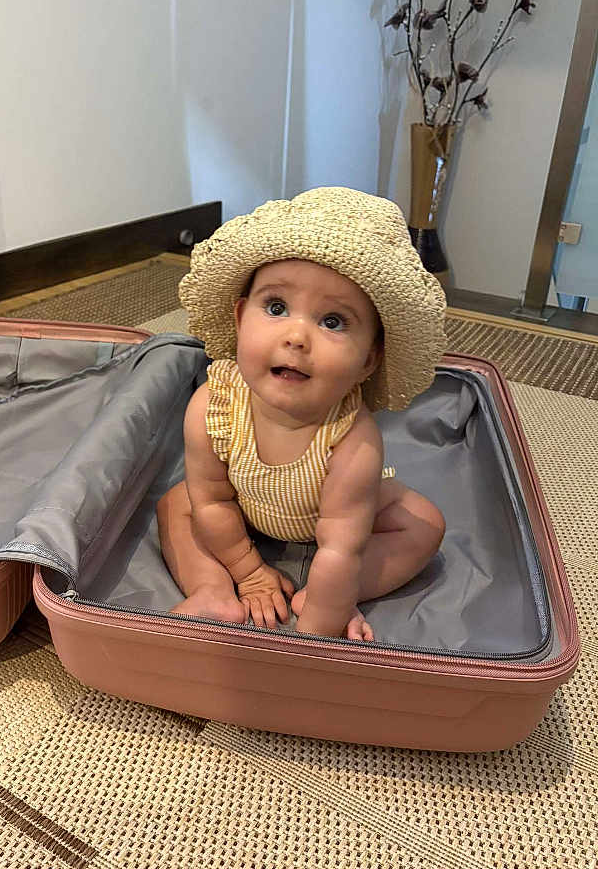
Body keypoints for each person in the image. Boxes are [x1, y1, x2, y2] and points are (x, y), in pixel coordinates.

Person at [156, 186, 448, 641]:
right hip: (242, 507)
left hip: (331, 516)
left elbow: (340, 545)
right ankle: (212, 589)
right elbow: (212, 500)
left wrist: (324, 617)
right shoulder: (212, 407)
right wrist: (248, 572)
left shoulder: (353, 439)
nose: (296, 337)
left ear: (368, 360)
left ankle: (328, 593)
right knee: (178, 504)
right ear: (239, 319)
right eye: (276, 307)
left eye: (333, 321)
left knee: (424, 525)